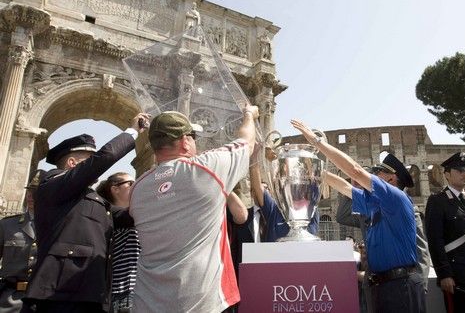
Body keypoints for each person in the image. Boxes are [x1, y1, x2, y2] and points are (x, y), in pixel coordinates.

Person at [129, 107, 259, 312]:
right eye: (193, 136)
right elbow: (247, 142)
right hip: (201, 301)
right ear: (184, 141)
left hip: (147, 301)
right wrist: (249, 115)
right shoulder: (206, 169)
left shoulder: (137, 189)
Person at [291, 119, 426, 313]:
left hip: (402, 286)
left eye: (377, 173)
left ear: (391, 179)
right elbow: (344, 186)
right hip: (381, 285)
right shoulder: (373, 202)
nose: (372, 175)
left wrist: (316, 142)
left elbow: (354, 170)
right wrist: (314, 169)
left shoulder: (397, 198)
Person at [21, 113, 150, 313]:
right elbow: (104, 158)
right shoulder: (52, 184)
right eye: (90, 161)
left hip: (91, 293)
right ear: (72, 163)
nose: (96, 169)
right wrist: (132, 132)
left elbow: (126, 217)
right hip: (59, 294)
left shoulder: (93, 199)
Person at [336, 172, 431, 313]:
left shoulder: (405, 207)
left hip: (402, 284)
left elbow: (420, 248)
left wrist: (420, 286)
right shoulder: (371, 208)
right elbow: (342, 216)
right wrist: (353, 189)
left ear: (392, 182)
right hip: (376, 282)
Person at [425, 152, 465, 312]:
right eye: (459, 171)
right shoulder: (438, 201)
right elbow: (435, 240)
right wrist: (444, 274)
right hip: (457, 276)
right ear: (447, 175)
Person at [0, 170, 44, 313]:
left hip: (44, 300)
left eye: (37, 192)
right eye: (29, 191)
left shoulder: (58, 226)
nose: (31, 196)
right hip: (10, 300)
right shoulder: (7, 225)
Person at [96, 172, 140, 313]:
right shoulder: (113, 218)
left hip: (138, 291)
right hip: (126, 292)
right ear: (115, 189)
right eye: (130, 183)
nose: (135, 186)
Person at [249, 157, 319, 242]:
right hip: (275, 254)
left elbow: (313, 179)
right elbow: (257, 186)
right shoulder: (274, 209)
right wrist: (254, 157)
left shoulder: (310, 209)